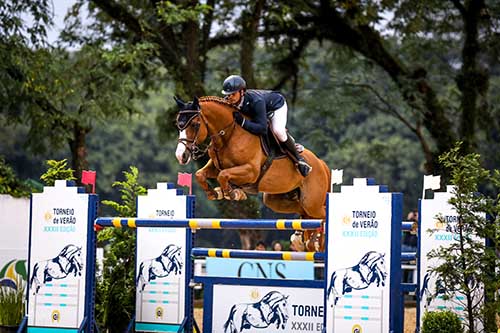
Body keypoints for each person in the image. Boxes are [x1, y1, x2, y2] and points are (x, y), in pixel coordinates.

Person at [221, 75, 312, 177]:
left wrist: (243, 122)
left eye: (233, 94)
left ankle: (299, 159)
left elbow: (262, 128)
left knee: (278, 131)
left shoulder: (256, 101)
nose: (229, 97)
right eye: (228, 95)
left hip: (275, 107)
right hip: (259, 110)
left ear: (242, 92)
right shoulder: (230, 101)